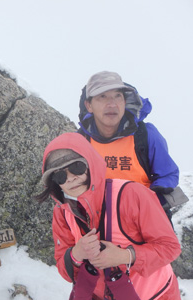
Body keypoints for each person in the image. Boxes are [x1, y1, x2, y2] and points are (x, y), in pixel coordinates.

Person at [36, 132, 181, 299]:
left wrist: (126, 256)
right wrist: (76, 253)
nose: (70, 178)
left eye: (77, 167)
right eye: (60, 175)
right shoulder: (62, 212)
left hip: (156, 295)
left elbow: (170, 247)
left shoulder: (132, 194)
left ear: (90, 163)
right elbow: (65, 271)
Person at [77, 71, 181, 220]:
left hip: (145, 219)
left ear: (124, 102)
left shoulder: (145, 134)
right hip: (99, 223)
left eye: (117, 96)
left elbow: (168, 174)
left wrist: (151, 202)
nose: (112, 104)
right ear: (89, 105)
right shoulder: (81, 141)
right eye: (102, 96)